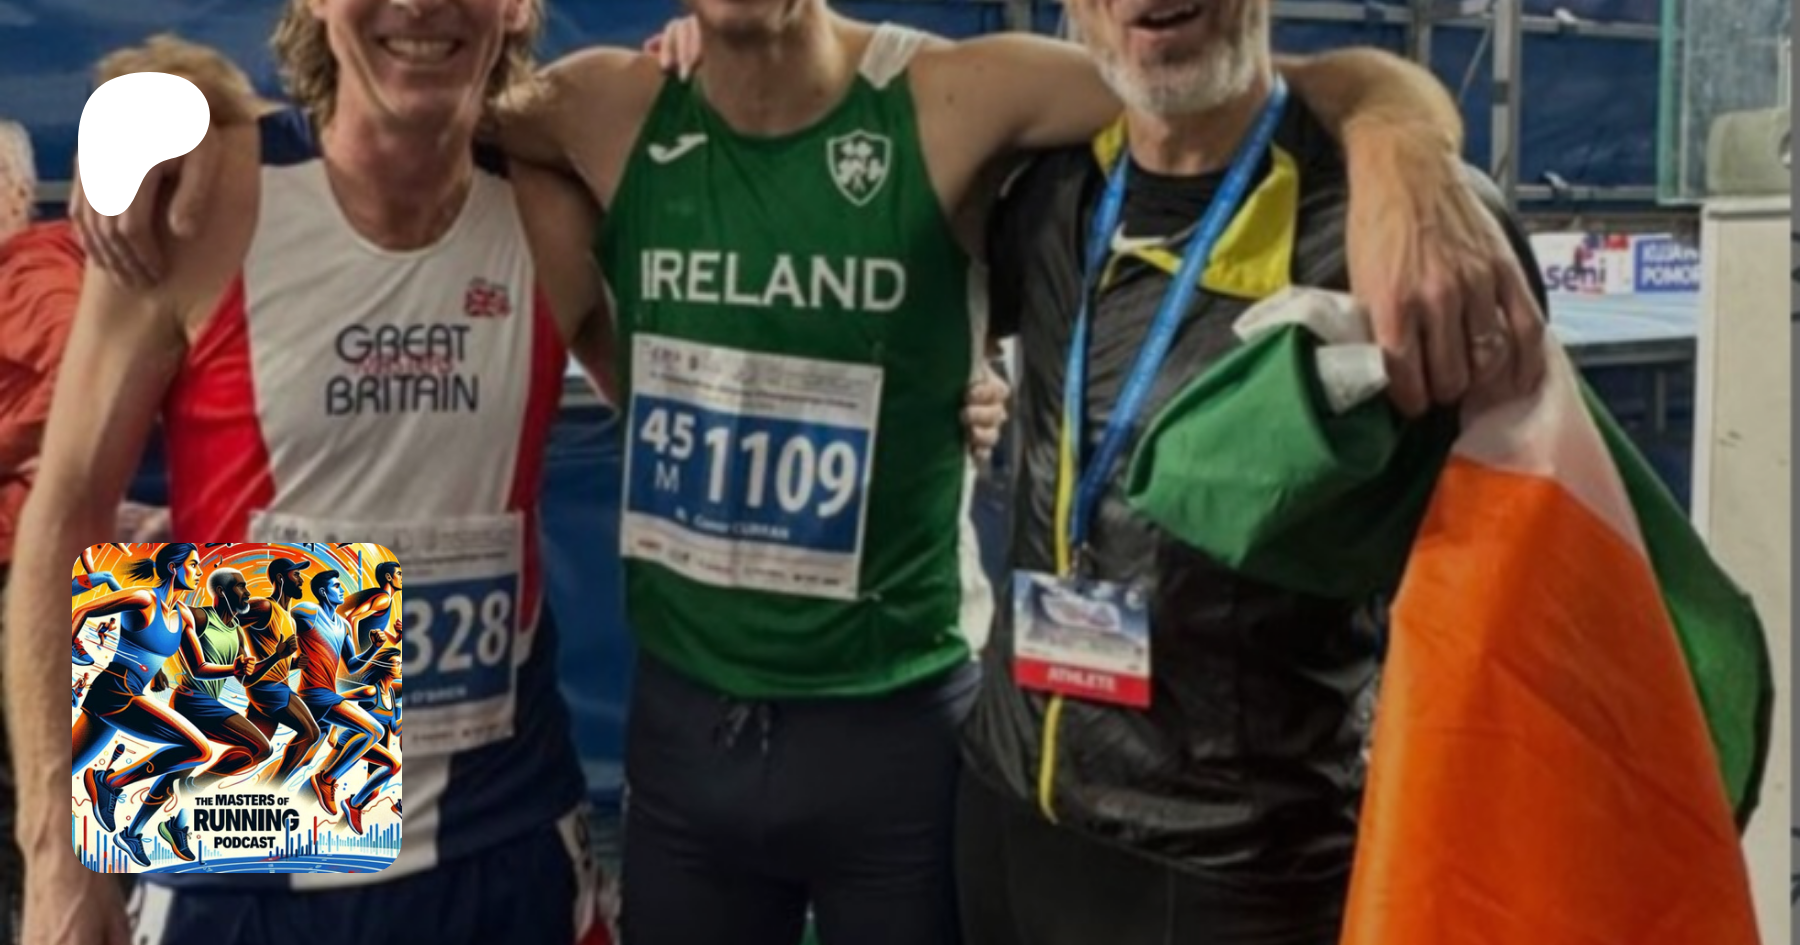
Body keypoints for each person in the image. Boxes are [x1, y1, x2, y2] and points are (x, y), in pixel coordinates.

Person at [86, 5, 1546, 944]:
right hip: (274, 715)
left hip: (558, 773)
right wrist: (157, 97)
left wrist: (1404, 140)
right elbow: (62, 523)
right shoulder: (233, 190)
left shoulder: (932, 98)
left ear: (513, 12)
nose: (424, 15)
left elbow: (1233, 80)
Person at [3, 14, 620, 945]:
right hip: (244, 823)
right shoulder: (205, 198)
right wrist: (55, 846)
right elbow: (66, 511)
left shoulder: (550, 212)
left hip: (503, 831)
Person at [954, 0, 1544, 942]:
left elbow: (1519, 579)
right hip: (1011, 812)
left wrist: (1399, 134)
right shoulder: (1050, 198)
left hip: (1241, 862)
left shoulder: (1400, 228)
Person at [68, 543, 253, 868]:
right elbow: (82, 610)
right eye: (193, 565)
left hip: (120, 698)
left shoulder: (183, 616)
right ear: (173, 567)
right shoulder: (144, 598)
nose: (199, 572)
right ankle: (110, 782)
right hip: (117, 693)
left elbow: (199, 668)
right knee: (199, 749)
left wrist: (233, 669)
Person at [134, 564, 281, 862]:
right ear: (222, 592)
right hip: (191, 699)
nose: (247, 592)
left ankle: (139, 830)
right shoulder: (200, 616)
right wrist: (156, 668)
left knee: (179, 769)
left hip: (205, 702)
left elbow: (245, 678)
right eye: (240, 586)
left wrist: (276, 657)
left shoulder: (237, 631)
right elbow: (175, 642)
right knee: (260, 747)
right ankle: (194, 789)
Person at [288, 567, 400, 834]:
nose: (342, 590)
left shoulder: (344, 626)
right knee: (373, 730)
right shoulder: (310, 612)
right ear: (323, 592)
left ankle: (295, 797)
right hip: (314, 694)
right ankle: (326, 779)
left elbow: (352, 665)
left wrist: (373, 648)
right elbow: (293, 614)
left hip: (327, 695)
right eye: (336, 586)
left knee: (302, 759)